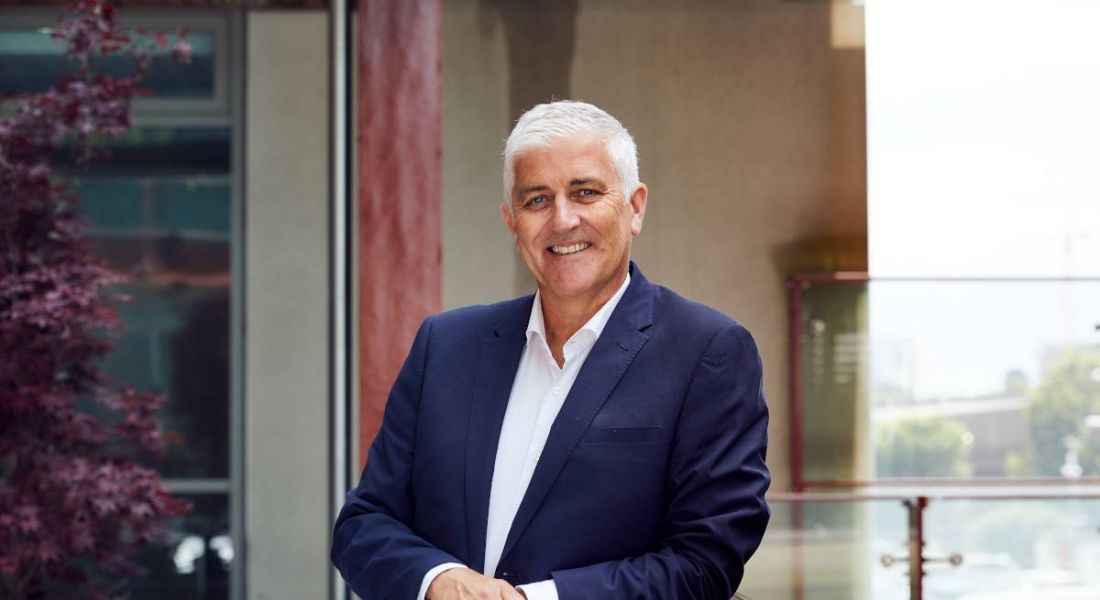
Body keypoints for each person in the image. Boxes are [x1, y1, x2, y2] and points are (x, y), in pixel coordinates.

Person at [331, 101, 770, 600]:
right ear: (511, 221)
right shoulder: (446, 346)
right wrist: (436, 581)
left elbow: (704, 563)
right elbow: (363, 524)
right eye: (537, 200)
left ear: (635, 207)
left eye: (586, 192)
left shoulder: (707, 353)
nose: (563, 220)